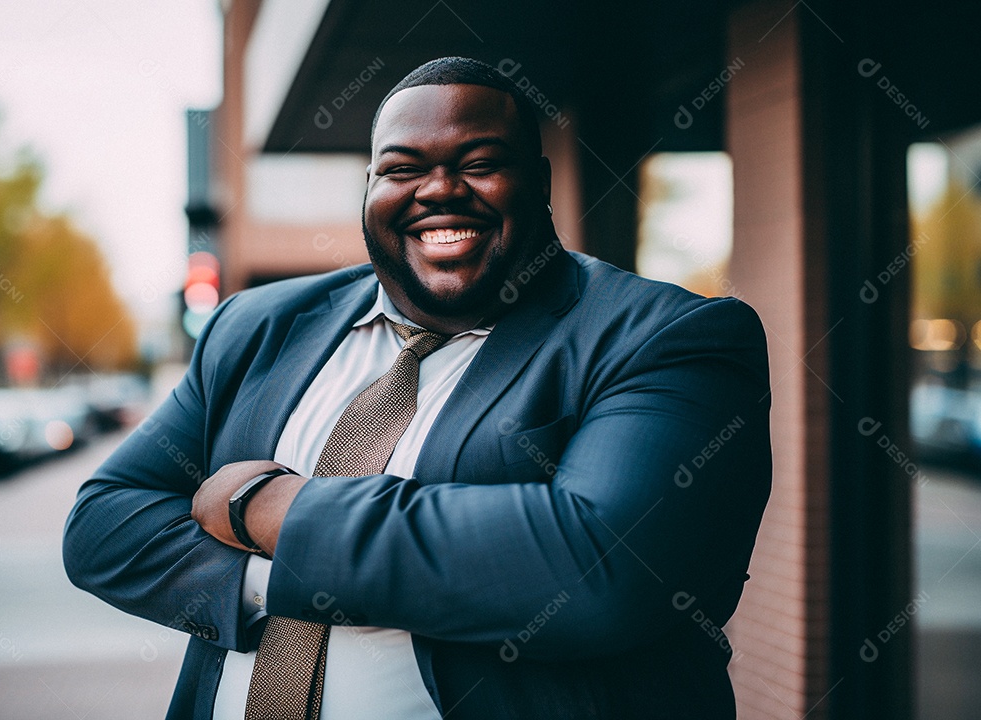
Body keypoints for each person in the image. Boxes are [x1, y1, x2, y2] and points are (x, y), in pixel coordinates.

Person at [63, 56, 771, 720]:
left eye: (480, 163)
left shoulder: (668, 338)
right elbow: (104, 525)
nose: (439, 190)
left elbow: (596, 567)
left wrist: (273, 510)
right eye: (402, 169)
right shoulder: (257, 327)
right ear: (369, 189)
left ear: (542, 180)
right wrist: (270, 589)